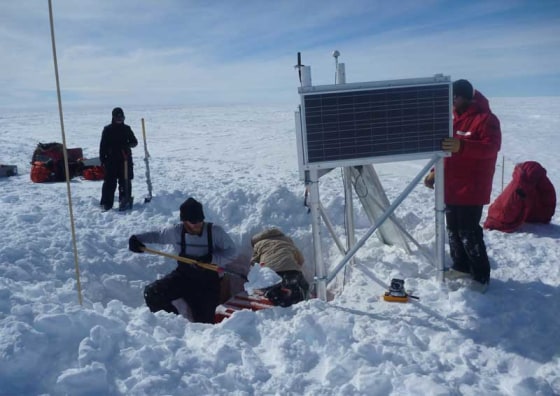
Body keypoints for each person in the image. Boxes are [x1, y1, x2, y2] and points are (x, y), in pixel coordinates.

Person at [424, 79, 501, 292]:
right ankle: (461, 266)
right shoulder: (455, 120)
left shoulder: (486, 120)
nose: (452, 102)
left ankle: (480, 275)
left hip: (472, 187)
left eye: (454, 97)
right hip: (452, 186)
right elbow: (448, 152)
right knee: (453, 230)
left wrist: (463, 146)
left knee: (469, 232)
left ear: (465, 96)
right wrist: (435, 171)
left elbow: (491, 148)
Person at [128, 197, 238, 323]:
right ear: (184, 221)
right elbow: (158, 236)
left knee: (204, 323)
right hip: (183, 277)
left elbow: (232, 252)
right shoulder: (176, 232)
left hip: (207, 283)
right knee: (153, 293)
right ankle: (174, 323)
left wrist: (212, 259)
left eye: (200, 220)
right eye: (193, 221)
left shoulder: (214, 232)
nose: (198, 223)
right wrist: (137, 239)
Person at [250, 227, 309, 306]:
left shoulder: (258, 244)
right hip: (292, 271)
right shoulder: (287, 241)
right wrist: (295, 266)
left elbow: (254, 263)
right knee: (303, 286)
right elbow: (300, 259)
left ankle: (276, 298)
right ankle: (303, 302)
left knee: (274, 290)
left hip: (271, 273)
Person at [99, 107, 138, 211]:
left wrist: (128, 144)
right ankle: (106, 203)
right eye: (117, 117)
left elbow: (134, 141)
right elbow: (103, 145)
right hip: (111, 160)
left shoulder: (127, 129)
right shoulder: (107, 129)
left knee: (125, 181)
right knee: (109, 183)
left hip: (125, 160)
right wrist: (103, 159)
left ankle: (124, 200)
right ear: (113, 117)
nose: (119, 119)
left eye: (121, 117)